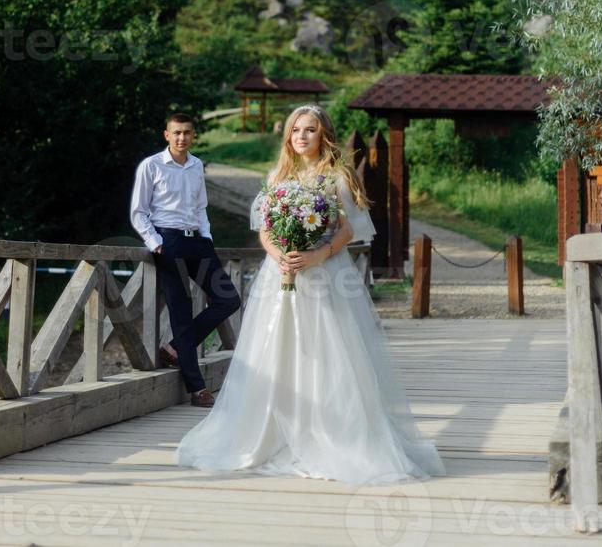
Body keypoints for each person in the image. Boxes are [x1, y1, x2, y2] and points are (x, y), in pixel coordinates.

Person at [176, 104, 445, 483]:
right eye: (296, 130)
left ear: (324, 135)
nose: (301, 136)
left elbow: (349, 230)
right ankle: (270, 432)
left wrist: (316, 254)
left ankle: (330, 432)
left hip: (325, 274)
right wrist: (280, 255)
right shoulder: (278, 175)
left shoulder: (336, 176)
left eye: (311, 130)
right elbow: (266, 229)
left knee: (326, 351)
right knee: (276, 348)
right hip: (281, 272)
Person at [130, 112, 241, 407]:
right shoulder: (151, 166)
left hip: (198, 243)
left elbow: (201, 206)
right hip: (169, 243)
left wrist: (207, 237)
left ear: (193, 136)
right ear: (167, 135)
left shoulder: (196, 165)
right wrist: (155, 242)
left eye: (187, 133)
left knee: (228, 299)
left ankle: (176, 347)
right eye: (176, 133)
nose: (182, 138)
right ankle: (197, 389)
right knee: (181, 311)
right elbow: (139, 212)